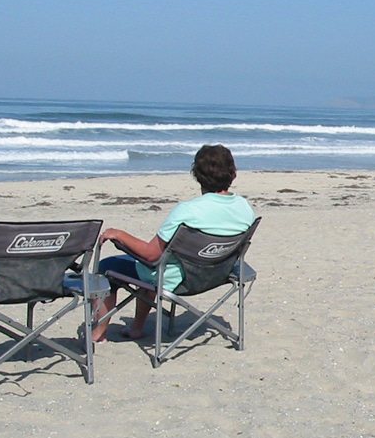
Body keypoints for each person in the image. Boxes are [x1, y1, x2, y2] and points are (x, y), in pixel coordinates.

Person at [93, 144, 256, 342]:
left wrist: (119, 234)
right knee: (156, 266)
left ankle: (99, 332)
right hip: (217, 273)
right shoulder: (245, 207)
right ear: (232, 173)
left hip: (180, 279)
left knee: (109, 266)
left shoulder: (188, 211)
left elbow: (151, 254)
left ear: (197, 175)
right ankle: (136, 327)